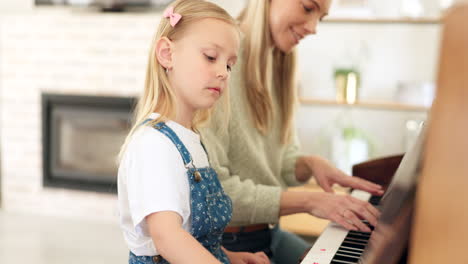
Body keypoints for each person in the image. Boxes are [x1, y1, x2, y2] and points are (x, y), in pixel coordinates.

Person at [199, 0, 384, 263]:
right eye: (308, 8)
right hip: (228, 241)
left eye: (321, 17)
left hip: (269, 232)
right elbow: (213, 196)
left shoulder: (280, 63)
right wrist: (310, 202)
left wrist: (310, 164)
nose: (313, 28)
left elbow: (281, 160)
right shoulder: (219, 64)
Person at [117, 1, 270, 263]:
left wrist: (230, 257)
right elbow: (168, 238)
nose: (223, 72)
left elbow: (195, 238)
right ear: (167, 54)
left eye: (230, 65)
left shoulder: (192, 140)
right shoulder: (153, 144)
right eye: (211, 57)